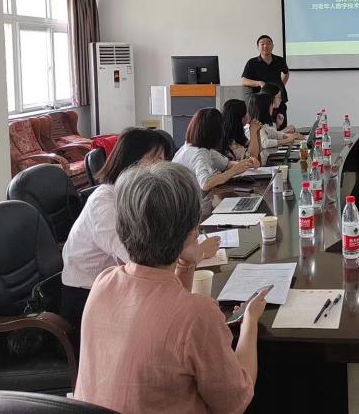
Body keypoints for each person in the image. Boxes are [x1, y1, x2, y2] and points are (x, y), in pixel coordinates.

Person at [74, 163, 267, 414]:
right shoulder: (198, 314)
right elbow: (235, 401)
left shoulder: (104, 282)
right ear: (192, 231)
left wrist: (186, 263)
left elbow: (164, 303)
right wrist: (250, 321)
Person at [61, 128, 220, 340]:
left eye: (163, 159)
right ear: (129, 161)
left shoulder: (135, 196)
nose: (161, 167)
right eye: (154, 159)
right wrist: (192, 254)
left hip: (122, 289)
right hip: (89, 300)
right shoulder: (104, 204)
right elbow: (141, 263)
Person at [173, 108, 259, 200]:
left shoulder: (195, 148)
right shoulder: (199, 154)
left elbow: (227, 164)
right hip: (190, 203)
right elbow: (205, 184)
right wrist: (233, 171)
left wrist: (248, 163)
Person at [241, 34, 290, 127]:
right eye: (262, 44)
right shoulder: (252, 62)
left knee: (281, 125)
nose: (266, 46)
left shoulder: (280, 60)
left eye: (268, 43)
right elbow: (244, 81)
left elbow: (286, 73)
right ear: (258, 47)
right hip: (261, 104)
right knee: (264, 127)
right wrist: (258, 83)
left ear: (273, 46)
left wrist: (281, 86)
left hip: (278, 100)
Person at [221, 98, 262, 163]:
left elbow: (258, 151)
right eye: (247, 112)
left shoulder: (238, 135)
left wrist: (257, 132)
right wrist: (253, 132)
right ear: (241, 117)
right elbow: (252, 158)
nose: (249, 115)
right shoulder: (230, 141)